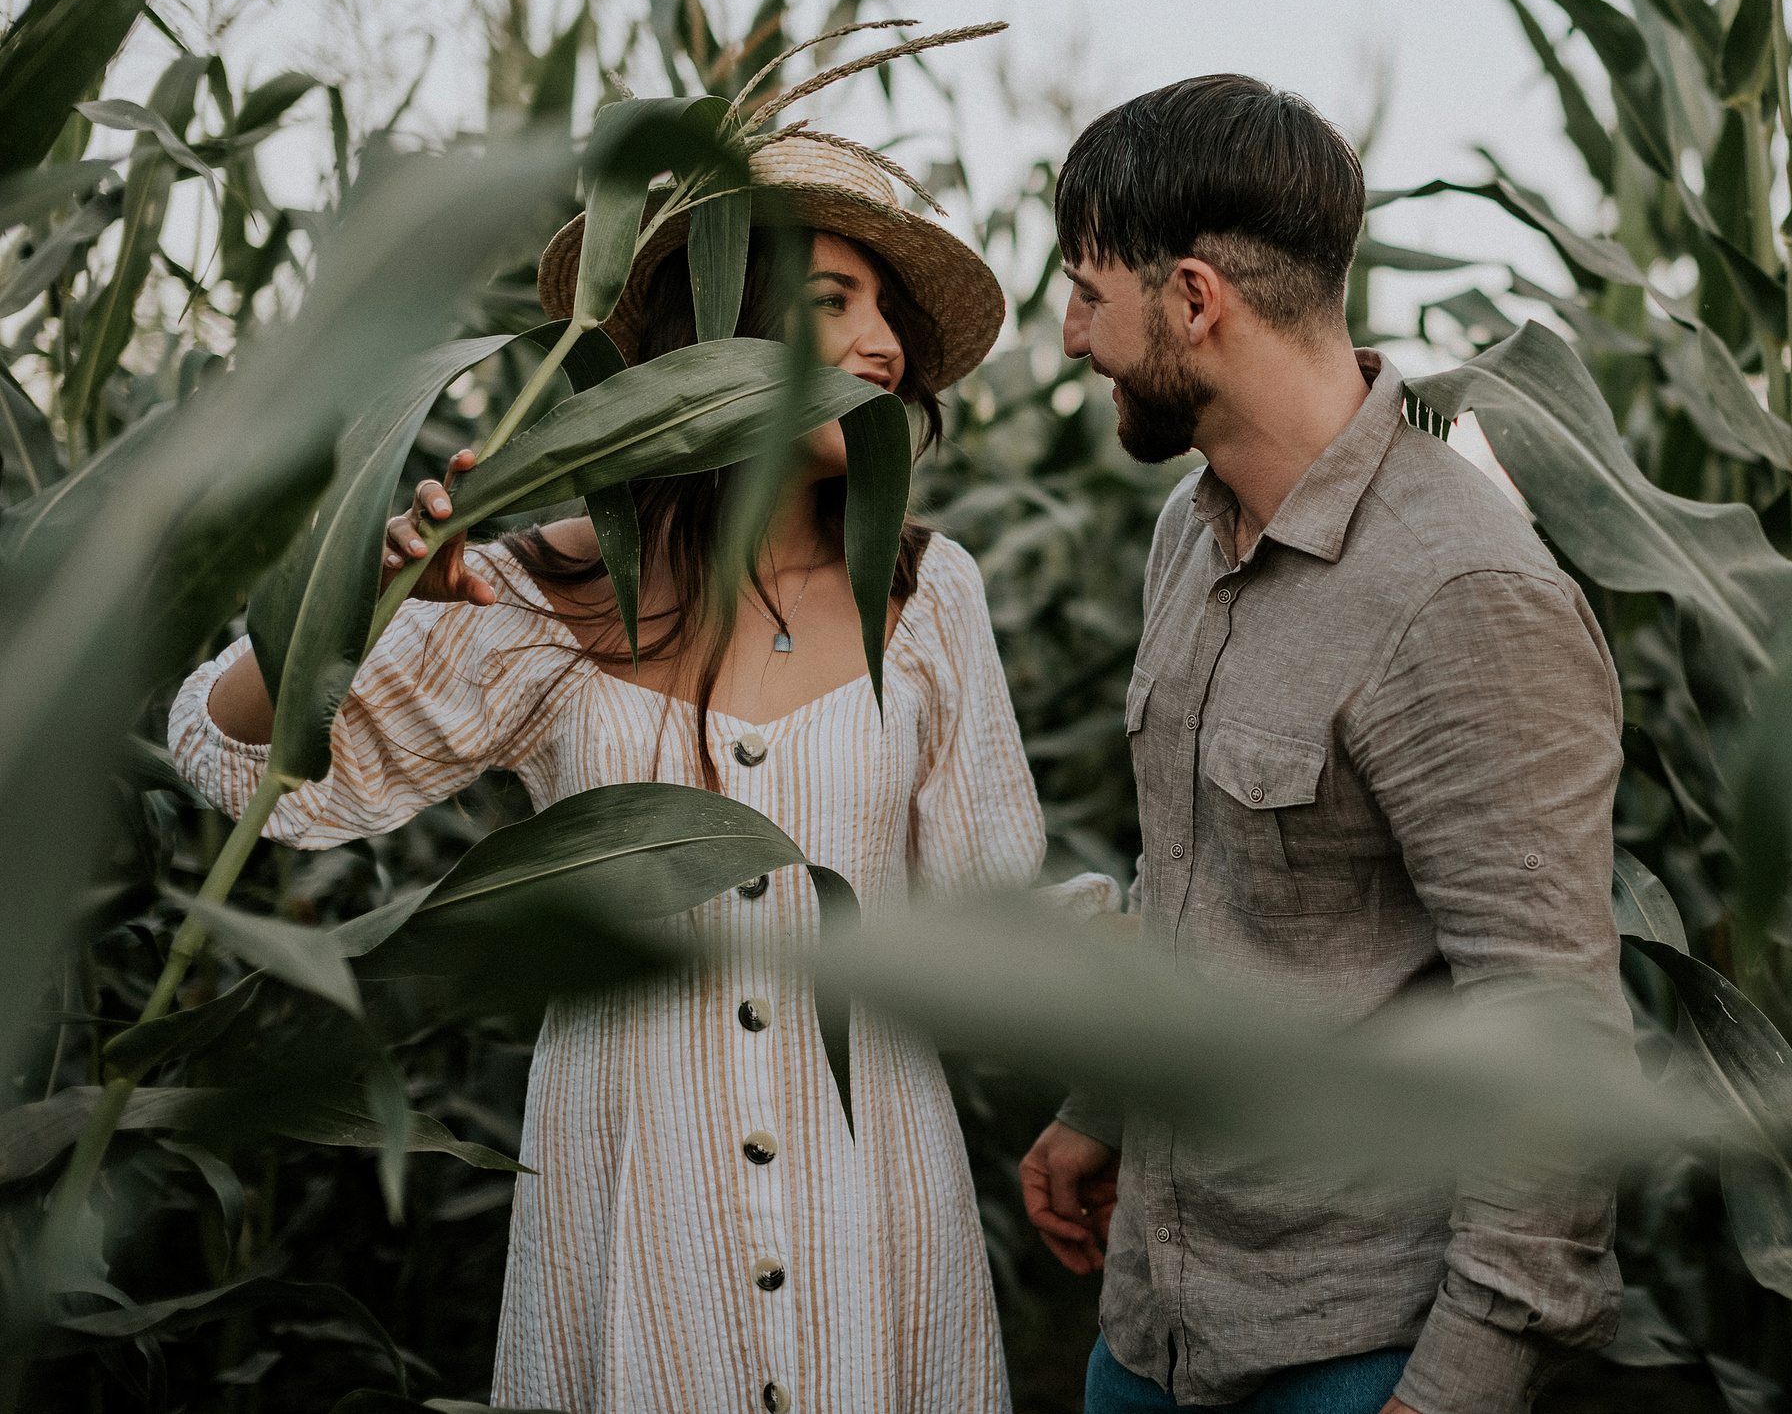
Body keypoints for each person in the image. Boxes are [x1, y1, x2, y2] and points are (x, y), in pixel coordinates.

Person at [172, 131, 1097, 1414]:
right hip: (630, 1188)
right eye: (835, 301)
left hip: (871, 1190)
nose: (885, 343)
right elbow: (234, 759)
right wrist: (356, 592)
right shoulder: (541, 590)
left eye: (892, 312)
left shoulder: (927, 593)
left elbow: (990, 911)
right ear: (709, 331)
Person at [1016, 76, 1632, 1414]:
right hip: (1152, 1329)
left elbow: (1558, 1042)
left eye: (1085, 291)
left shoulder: (1461, 593)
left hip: (1354, 1362)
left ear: (1194, 300)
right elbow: (1209, 886)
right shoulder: (1193, 529)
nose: (1070, 339)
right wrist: (1105, 1107)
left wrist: (1452, 1393)